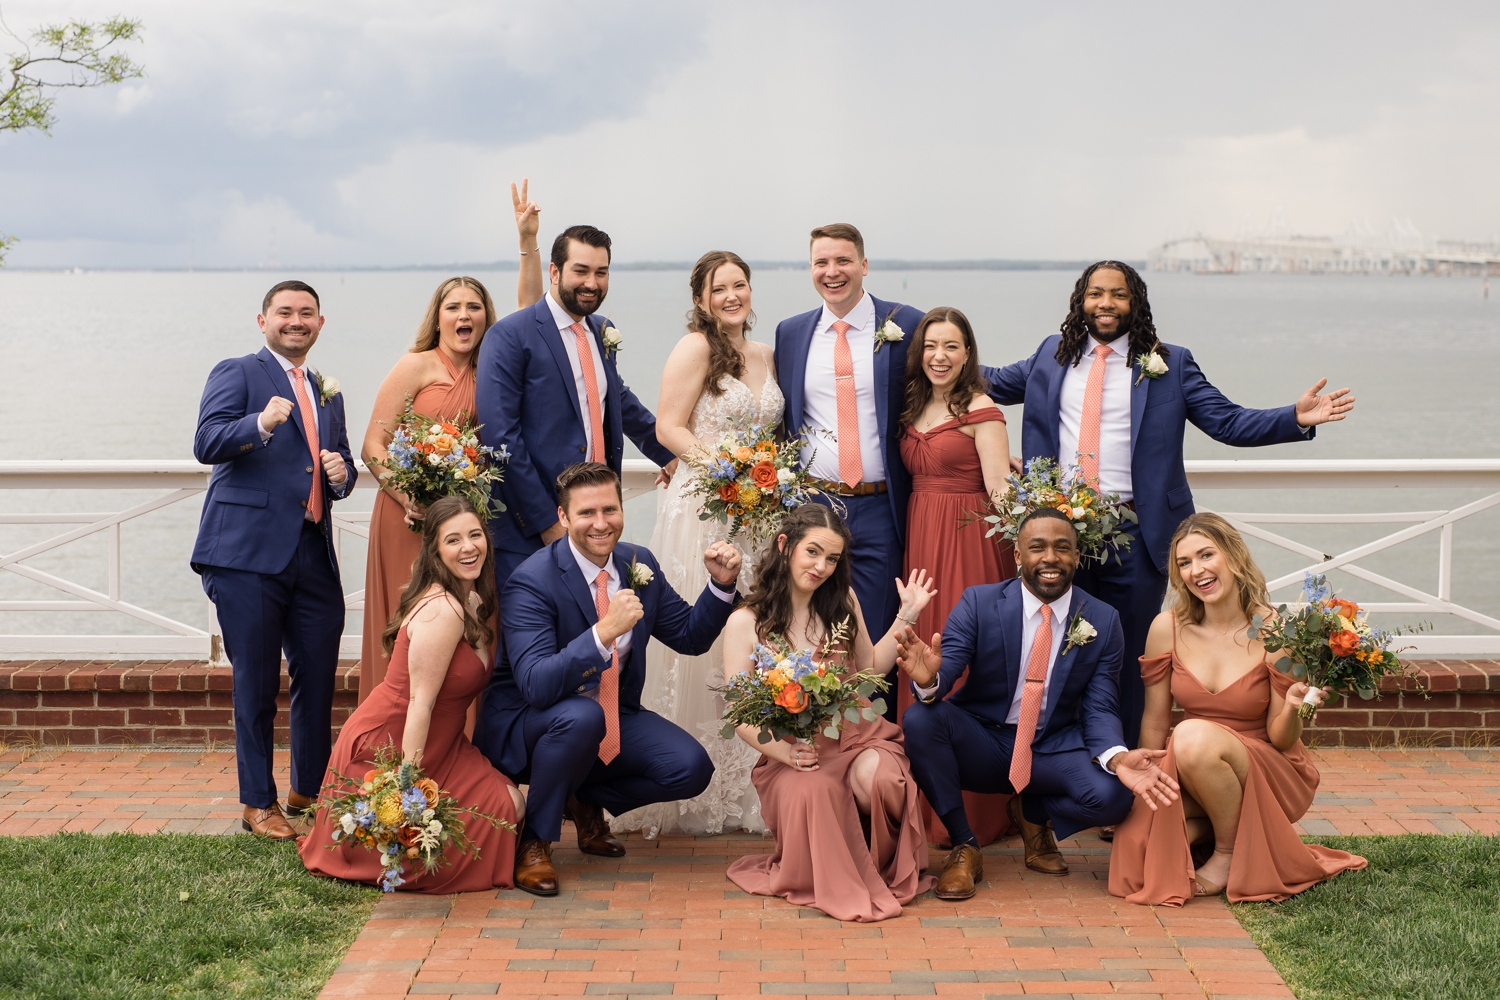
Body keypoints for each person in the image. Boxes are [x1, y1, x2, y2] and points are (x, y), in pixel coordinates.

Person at [988, 261, 1356, 753]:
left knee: (1131, 657)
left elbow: (1228, 423)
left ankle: (1123, 775)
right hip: (1061, 534)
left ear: (1134, 303)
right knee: (1055, 650)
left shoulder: (1170, 364)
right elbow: (984, 380)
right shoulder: (1050, 358)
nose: (1105, 304)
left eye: (1117, 295)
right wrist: (922, 345)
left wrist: (1293, 417)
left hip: (1139, 534)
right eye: (1096, 294)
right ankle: (1062, 769)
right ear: (1081, 301)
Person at [473, 462, 742, 896]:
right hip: (530, 722)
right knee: (580, 717)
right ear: (563, 518)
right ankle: (534, 842)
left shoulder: (639, 562)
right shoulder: (531, 581)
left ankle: (581, 796)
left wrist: (721, 586)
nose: (601, 524)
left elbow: (690, 637)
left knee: (690, 768)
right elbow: (536, 684)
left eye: (610, 510)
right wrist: (604, 632)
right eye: (586, 513)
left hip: (611, 714)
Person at [895, 509, 1178, 899]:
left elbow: (1099, 707)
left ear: (1077, 558)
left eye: (1063, 548)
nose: (1050, 558)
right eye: (1037, 547)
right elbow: (947, 669)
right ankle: (964, 846)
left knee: (1114, 798)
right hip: (983, 740)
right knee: (922, 719)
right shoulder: (980, 602)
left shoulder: (1102, 619)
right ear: (1017, 555)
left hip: (1049, 746)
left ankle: (1031, 814)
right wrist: (928, 680)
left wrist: (1116, 758)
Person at [1109, 513, 1367, 904]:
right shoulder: (1166, 627)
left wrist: (1297, 706)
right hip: (1190, 763)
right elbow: (1156, 718)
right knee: (1137, 850)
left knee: (1191, 734)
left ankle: (1227, 854)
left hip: (1266, 766)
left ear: (1232, 555)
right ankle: (1217, 830)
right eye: (1184, 563)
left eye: (1206, 555)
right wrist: (1149, 778)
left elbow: (1282, 739)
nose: (1197, 570)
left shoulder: (1275, 631)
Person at [776, 225, 1010, 651]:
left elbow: (950, 370)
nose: (833, 272)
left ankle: (871, 718)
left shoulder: (906, 324)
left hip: (883, 506)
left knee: (882, 624)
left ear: (863, 265)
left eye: (843, 261)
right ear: (810, 269)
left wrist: (988, 431)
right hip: (811, 504)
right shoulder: (789, 333)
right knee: (809, 623)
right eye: (821, 262)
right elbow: (778, 412)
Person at [612, 251, 782, 838]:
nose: (732, 295)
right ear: (702, 298)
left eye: (740, 285)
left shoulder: (765, 354)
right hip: (705, 507)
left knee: (753, 629)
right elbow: (668, 426)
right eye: (720, 288)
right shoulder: (695, 348)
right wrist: (728, 473)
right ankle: (689, 777)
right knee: (701, 623)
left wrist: (763, 480)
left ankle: (753, 771)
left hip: (756, 514)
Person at [357, 183, 548, 700]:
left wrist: (527, 241)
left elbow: (533, 309)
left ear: (486, 317)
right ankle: (398, 752)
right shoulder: (414, 366)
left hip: (469, 524)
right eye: (453, 307)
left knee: (472, 630)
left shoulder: (494, 368)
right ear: (437, 317)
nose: (465, 316)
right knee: (411, 633)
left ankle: (461, 751)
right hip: (409, 519)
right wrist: (410, 499)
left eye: (475, 307)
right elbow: (373, 445)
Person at [190, 280, 357, 839]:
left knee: (318, 675)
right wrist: (259, 424)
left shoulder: (327, 391)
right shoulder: (237, 372)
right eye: (284, 312)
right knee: (257, 683)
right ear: (262, 321)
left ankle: (309, 790)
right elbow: (207, 441)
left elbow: (343, 466)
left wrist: (341, 477)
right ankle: (256, 803)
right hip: (246, 556)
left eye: (306, 313)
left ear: (320, 323)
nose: (295, 320)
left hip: (313, 552)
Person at [724, 504, 938, 921]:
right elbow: (740, 714)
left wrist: (907, 615)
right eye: (813, 553)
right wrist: (787, 754)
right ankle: (836, 870)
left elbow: (869, 669)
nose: (821, 567)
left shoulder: (844, 602)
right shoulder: (745, 622)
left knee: (883, 780)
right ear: (785, 546)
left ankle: (876, 865)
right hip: (796, 751)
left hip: (858, 733)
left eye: (832, 559)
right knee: (815, 790)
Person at [301, 496, 524, 891]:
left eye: (475, 535)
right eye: (453, 540)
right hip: (393, 742)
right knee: (503, 812)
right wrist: (406, 787)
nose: (468, 547)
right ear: (435, 551)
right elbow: (419, 704)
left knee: (511, 804)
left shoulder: (470, 600)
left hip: (446, 743)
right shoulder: (443, 611)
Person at [475, 224, 676, 586]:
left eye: (601, 272)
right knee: (533, 638)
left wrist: (671, 454)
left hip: (594, 524)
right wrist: (548, 523)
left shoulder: (602, 330)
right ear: (554, 271)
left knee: (592, 633)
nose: (591, 283)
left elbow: (616, 399)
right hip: (532, 532)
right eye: (580, 271)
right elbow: (500, 438)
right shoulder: (509, 335)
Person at [896, 306, 1016, 846]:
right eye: (930, 346)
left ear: (967, 354)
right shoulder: (912, 405)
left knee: (962, 655)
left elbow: (1001, 492)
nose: (939, 357)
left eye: (951, 346)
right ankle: (920, 801)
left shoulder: (982, 409)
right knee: (917, 648)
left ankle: (976, 812)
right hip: (921, 538)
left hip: (970, 540)